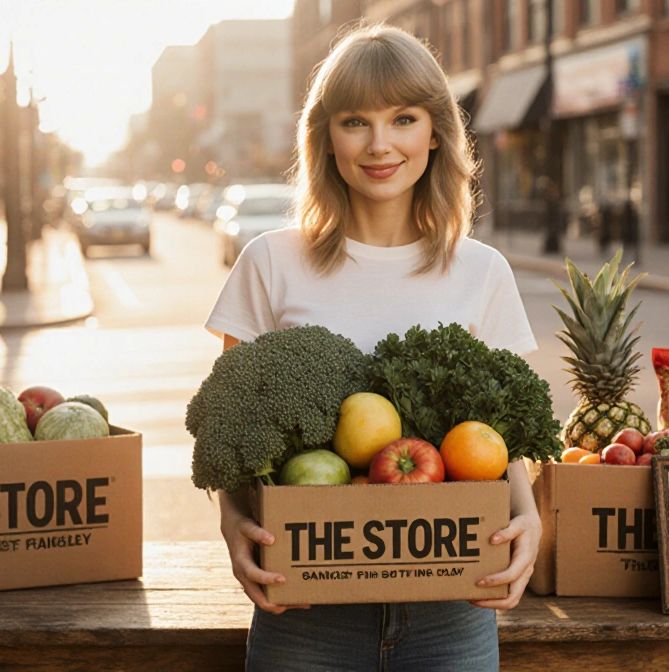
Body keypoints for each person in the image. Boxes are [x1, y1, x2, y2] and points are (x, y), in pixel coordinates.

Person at [203, 24, 541, 671]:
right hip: (305, 618)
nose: (380, 145)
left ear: (436, 131)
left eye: (404, 118)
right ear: (326, 136)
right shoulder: (269, 262)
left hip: (453, 612)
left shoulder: (483, 270)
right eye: (356, 120)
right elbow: (229, 427)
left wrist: (529, 518)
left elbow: (505, 434)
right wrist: (230, 521)